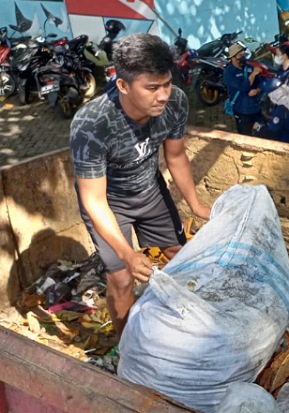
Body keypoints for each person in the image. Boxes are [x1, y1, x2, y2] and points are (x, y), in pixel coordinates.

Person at [70, 33, 210, 336]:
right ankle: (127, 349)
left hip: (150, 190)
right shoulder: (92, 124)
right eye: (152, 88)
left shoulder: (175, 103)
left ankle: (190, 329)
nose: (162, 95)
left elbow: (175, 156)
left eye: (167, 84)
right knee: (121, 279)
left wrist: (196, 205)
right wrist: (127, 253)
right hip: (109, 204)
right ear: (123, 85)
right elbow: (93, 200)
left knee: (181, 255)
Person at [223, 42, 266, 135]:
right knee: (245, 136)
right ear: (233, 58)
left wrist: (257, 90)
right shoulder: (229, 73)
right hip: (242, 111)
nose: (243, 57)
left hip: (255, 108)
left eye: (243, 55)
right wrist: (253, 74)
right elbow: (243, 87)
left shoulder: (249, 67)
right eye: (240, 55)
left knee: (264, 131)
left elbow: (261, 83)